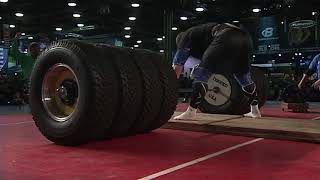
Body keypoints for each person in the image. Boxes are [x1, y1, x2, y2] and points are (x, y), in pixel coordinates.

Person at [172, 22, 261, 120]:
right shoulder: (201, 35)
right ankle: (255, 111)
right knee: (243, 77)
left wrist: (171, 90)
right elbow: (215, 58)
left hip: (226, 36)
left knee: (200, 75)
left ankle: (191, 112)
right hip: (245, 38)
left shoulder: (185, 38)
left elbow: (177, 66)